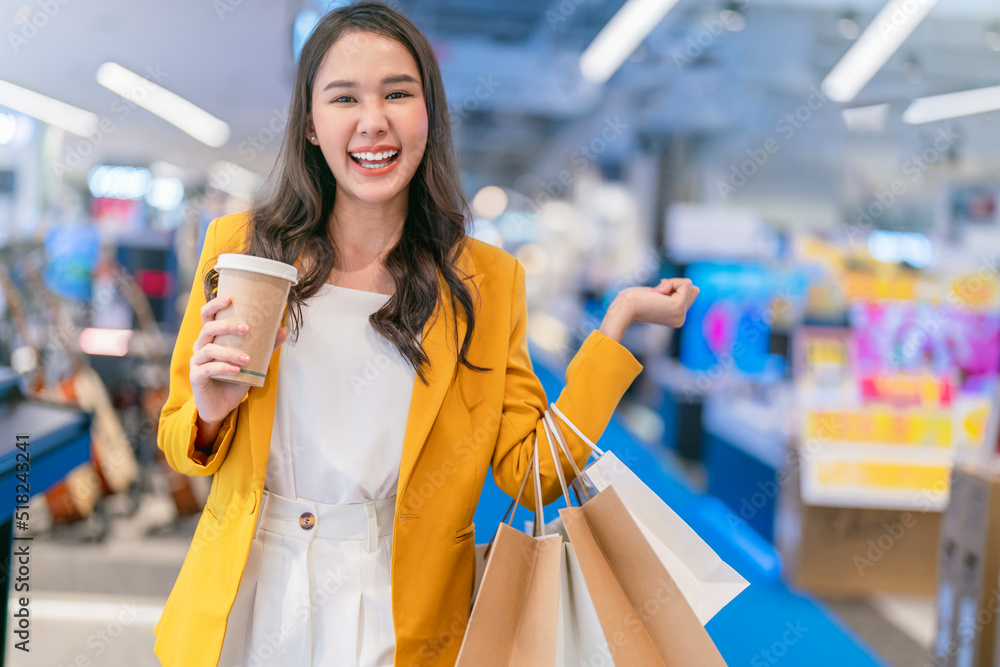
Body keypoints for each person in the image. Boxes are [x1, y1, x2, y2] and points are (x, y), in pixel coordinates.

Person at [152, 3, 699, 666]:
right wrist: (209, 414)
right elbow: (182, 440)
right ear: (311, 126)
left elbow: (530, 474)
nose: (372, 119)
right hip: (249, 598)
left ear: (429, 116)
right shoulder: (241, 249)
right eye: (344, 97)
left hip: (403, 613)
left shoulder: (485, 282)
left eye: (397, 94)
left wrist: (615, 330)